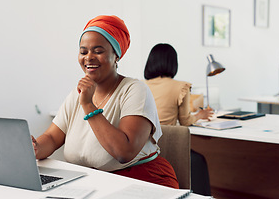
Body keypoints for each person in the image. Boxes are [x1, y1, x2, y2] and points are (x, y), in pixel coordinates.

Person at [32, 15, 179, 189]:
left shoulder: (135, 90)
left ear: (116, 55)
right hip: (92, 181)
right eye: (83, 51)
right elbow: (51, 137)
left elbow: (124, 152)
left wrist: (88, 105)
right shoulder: (76, 94)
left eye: (98, 51)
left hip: (141, 181)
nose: (89, 57)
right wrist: (35, 148)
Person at [144, 43, 213, 196]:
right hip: (168, 145)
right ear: (173, 63)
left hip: (143, 147)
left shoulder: (141, 85)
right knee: (198, 160)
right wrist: (200, 116)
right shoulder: (181, 86)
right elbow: (185, 121)